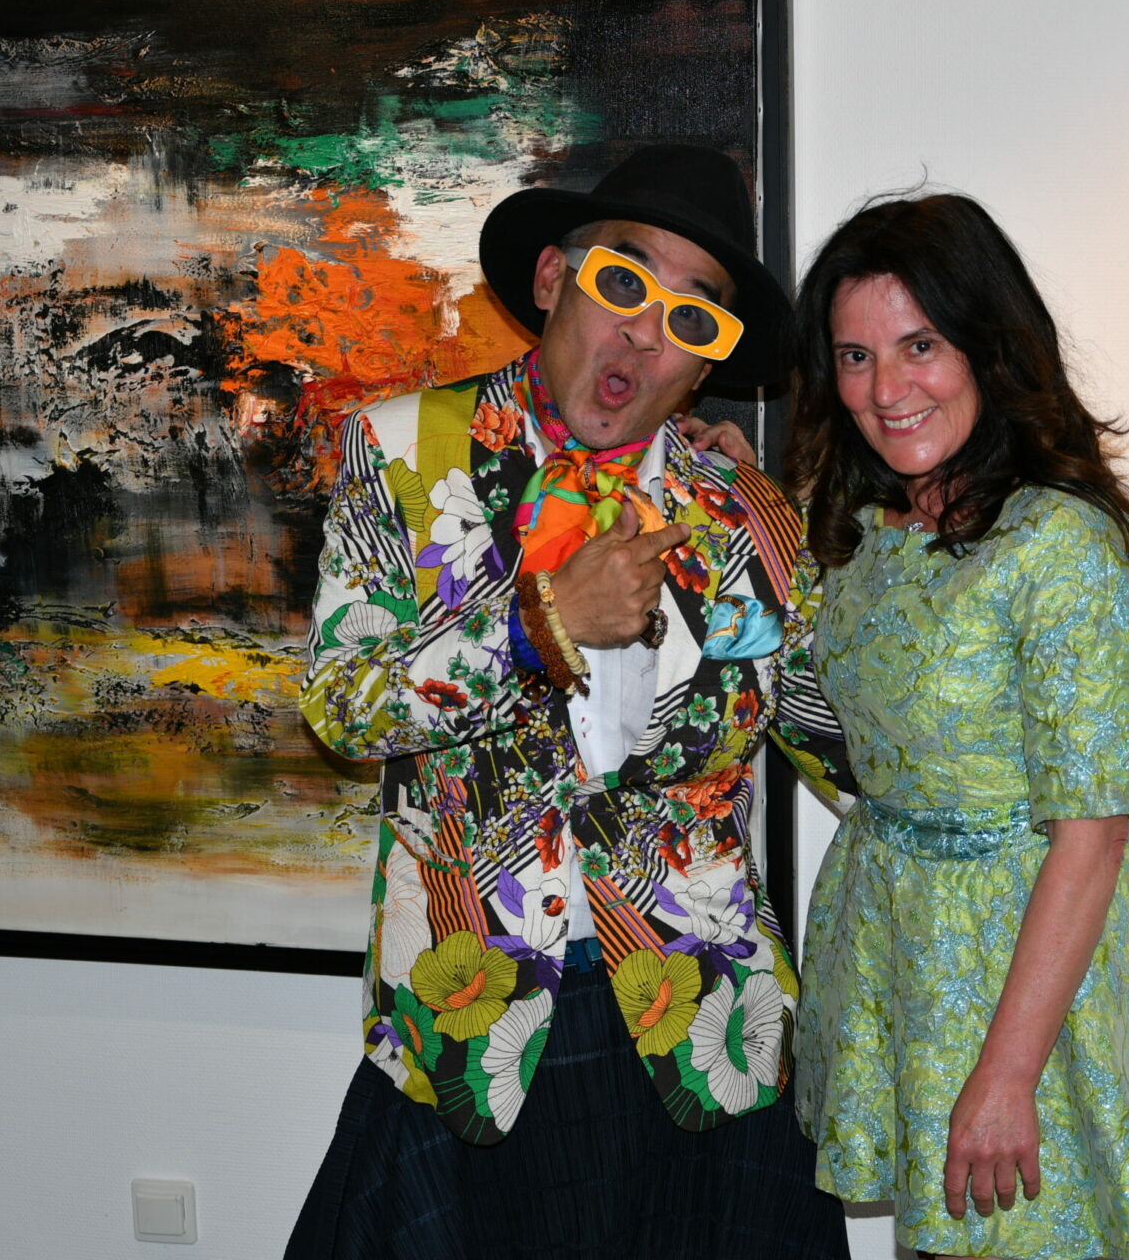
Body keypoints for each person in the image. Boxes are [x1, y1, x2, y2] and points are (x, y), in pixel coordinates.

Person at [288, 144, 852, 1259]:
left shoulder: (746, 507)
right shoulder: (401, 452)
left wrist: (878, 547)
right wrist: (534, 625)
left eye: (693, 317)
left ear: (709, 361)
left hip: (705, 1024)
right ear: (553, 278)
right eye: (624, 282)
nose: (645, 334)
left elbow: (839, 746)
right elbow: (344, 706)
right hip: (476, 1024)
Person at [787, 193, 1129, 1260]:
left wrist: (1006, 1075)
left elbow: (1093, 836)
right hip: (900, 952)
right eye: (855, 356)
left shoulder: (1063, 543)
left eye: (919, 345)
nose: (885, 389)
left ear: (990, 345)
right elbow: (838, 735)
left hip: (1028, 979)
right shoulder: (868, 531)